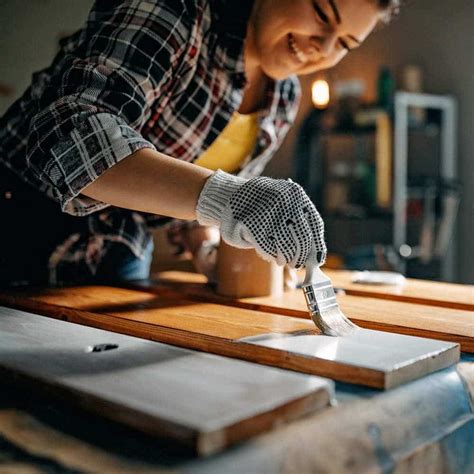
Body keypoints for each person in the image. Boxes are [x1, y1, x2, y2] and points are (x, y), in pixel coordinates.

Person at [0, 0, 399, 287]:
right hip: (18, 223)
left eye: (345, 43)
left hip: (117, 257)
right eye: (321, 12)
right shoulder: (177, 12)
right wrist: (231, 199)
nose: (324, 47)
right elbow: (69, 134)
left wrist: (207, 249)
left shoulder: (283, 100)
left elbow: (188, 205)